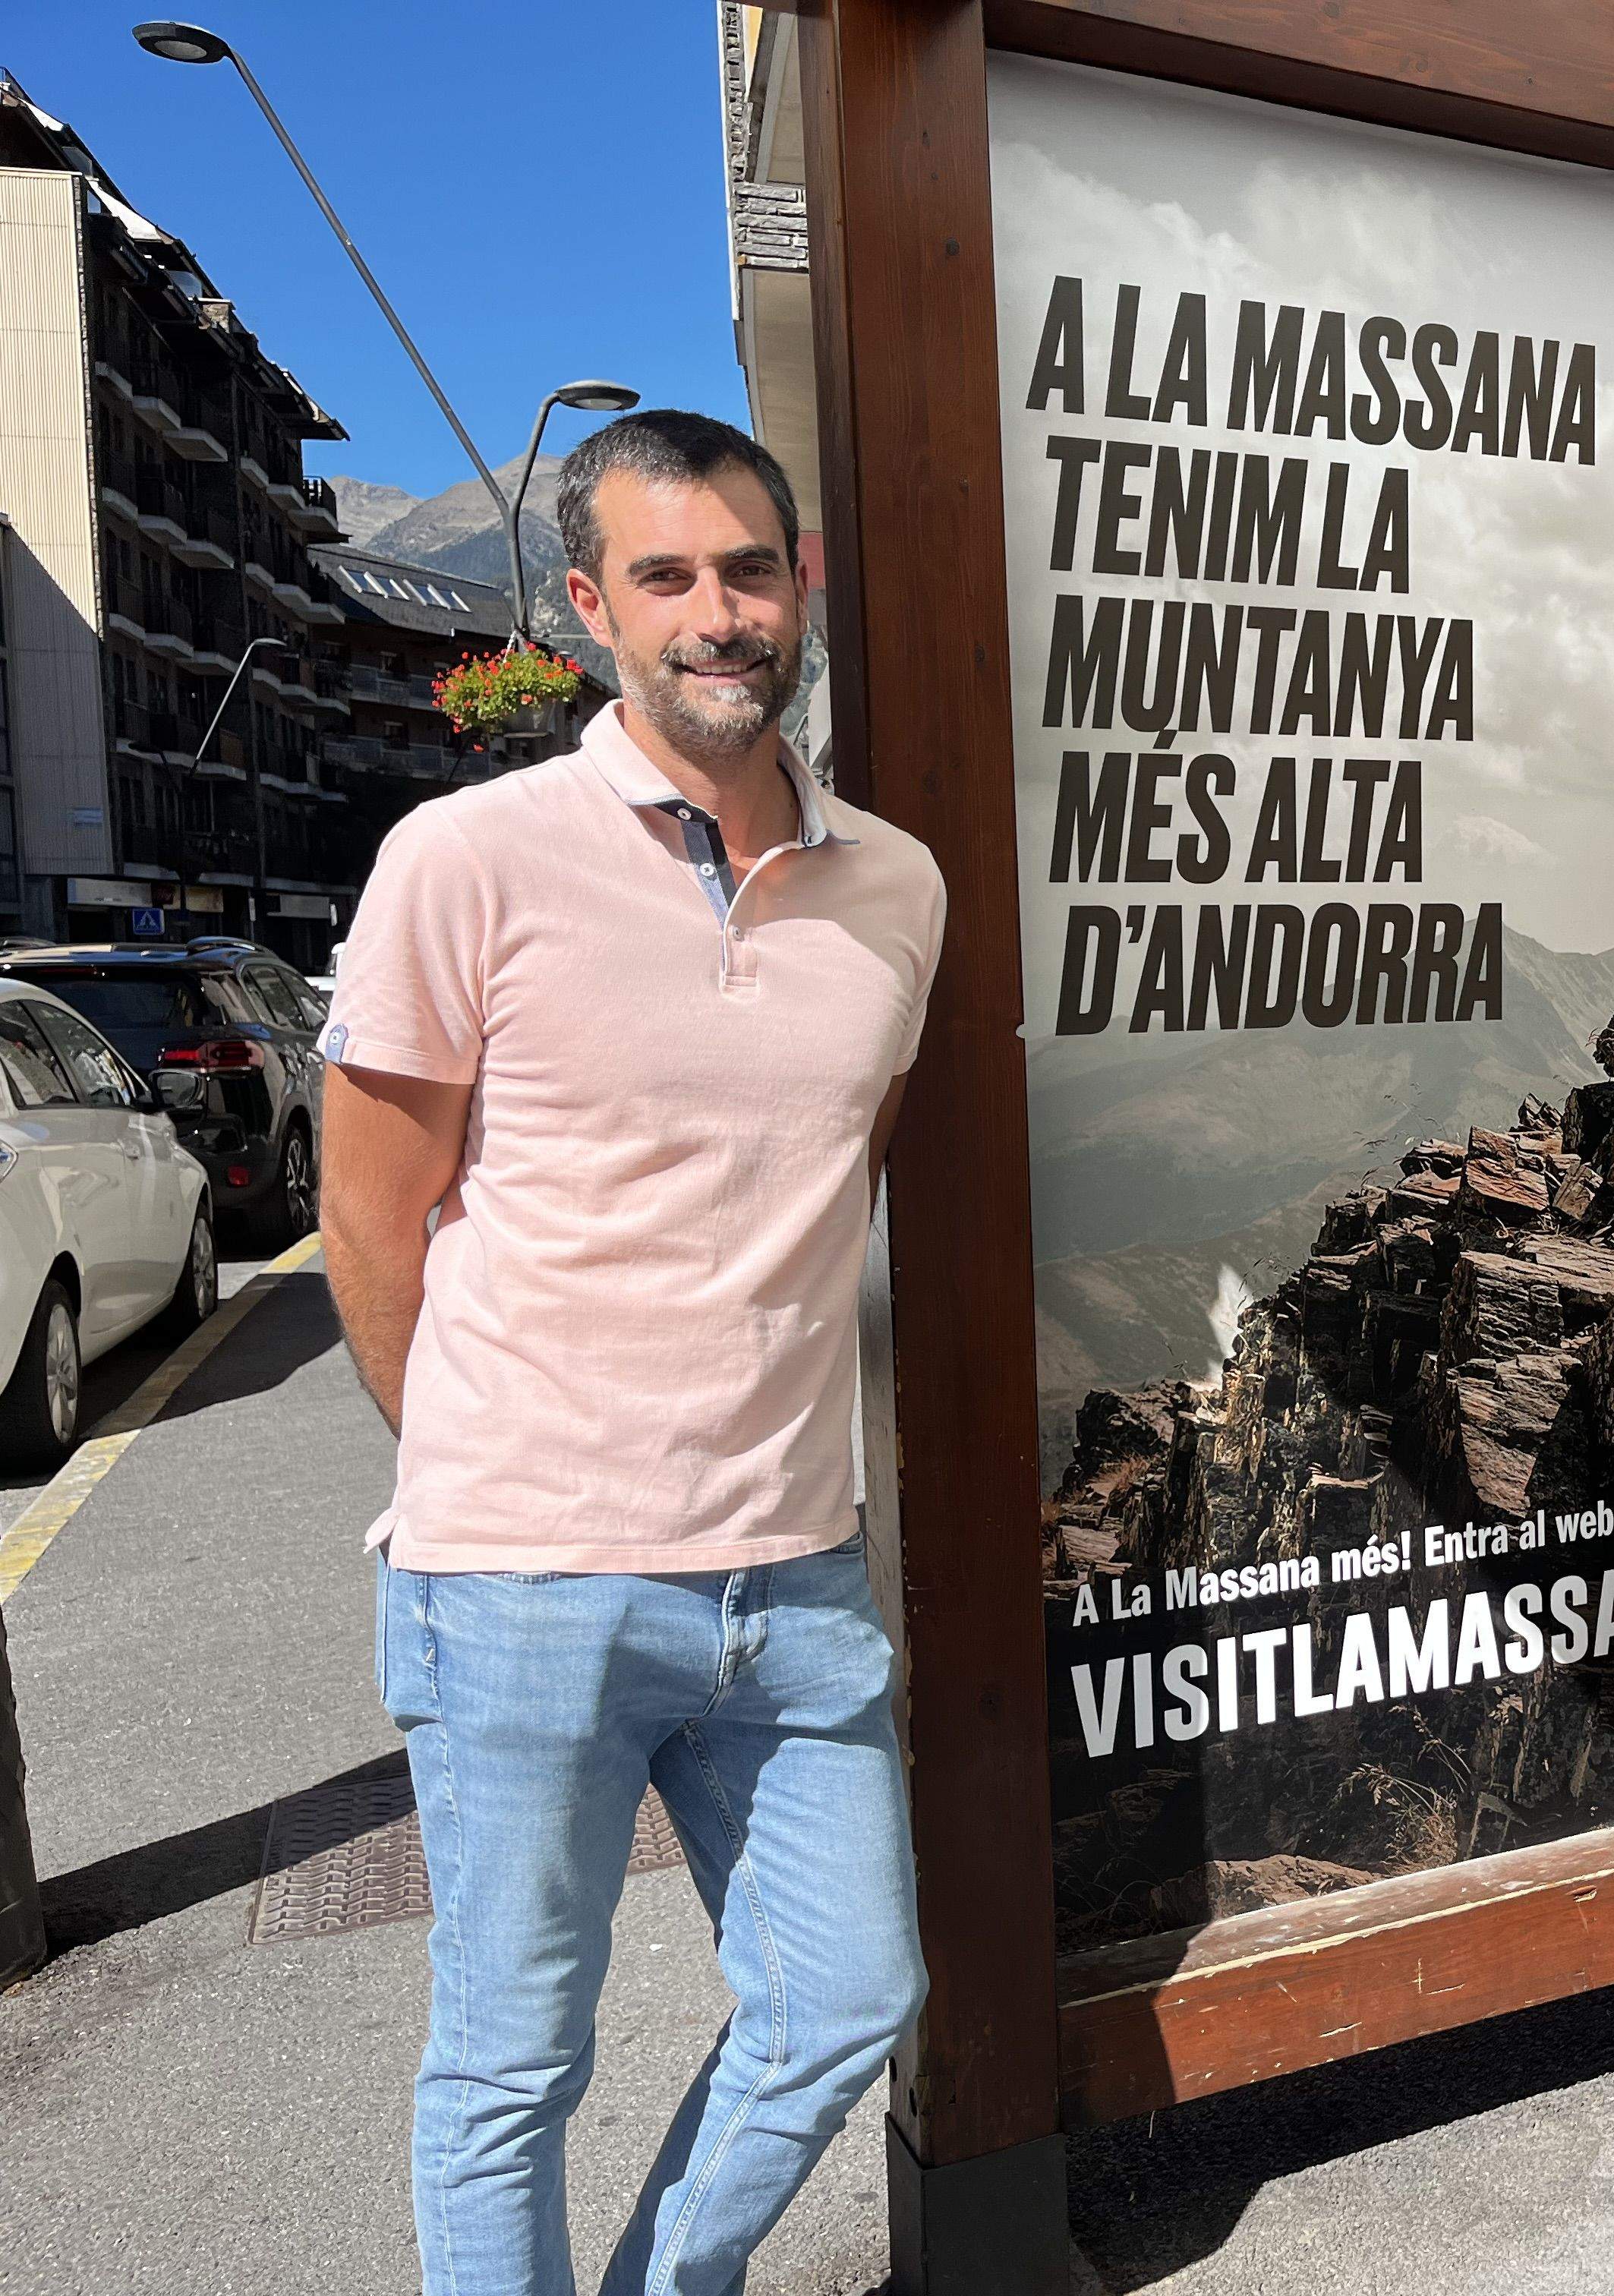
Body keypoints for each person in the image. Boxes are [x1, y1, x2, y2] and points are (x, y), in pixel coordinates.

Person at [318, 410, 947, 2296]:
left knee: (848, 2000)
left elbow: (838, 1173)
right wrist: (485, 1474)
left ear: (801, 586)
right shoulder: (465, 859)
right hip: (525, 1578)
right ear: (590, 607)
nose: (717, 614)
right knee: (511, 2068)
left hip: (793, 1570)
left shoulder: (896, 889)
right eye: (666, 577)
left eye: (748, 571)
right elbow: (372, 1219)